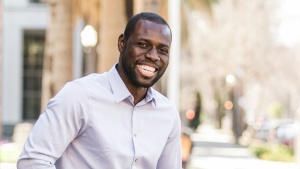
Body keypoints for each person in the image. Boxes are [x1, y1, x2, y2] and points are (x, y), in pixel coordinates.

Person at [17, 12, 182, 169]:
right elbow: (32, 162)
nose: (153, 56)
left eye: (162, 50)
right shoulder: (80, 96)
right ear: (122, 43)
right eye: (143, 44)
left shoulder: (168, 114)